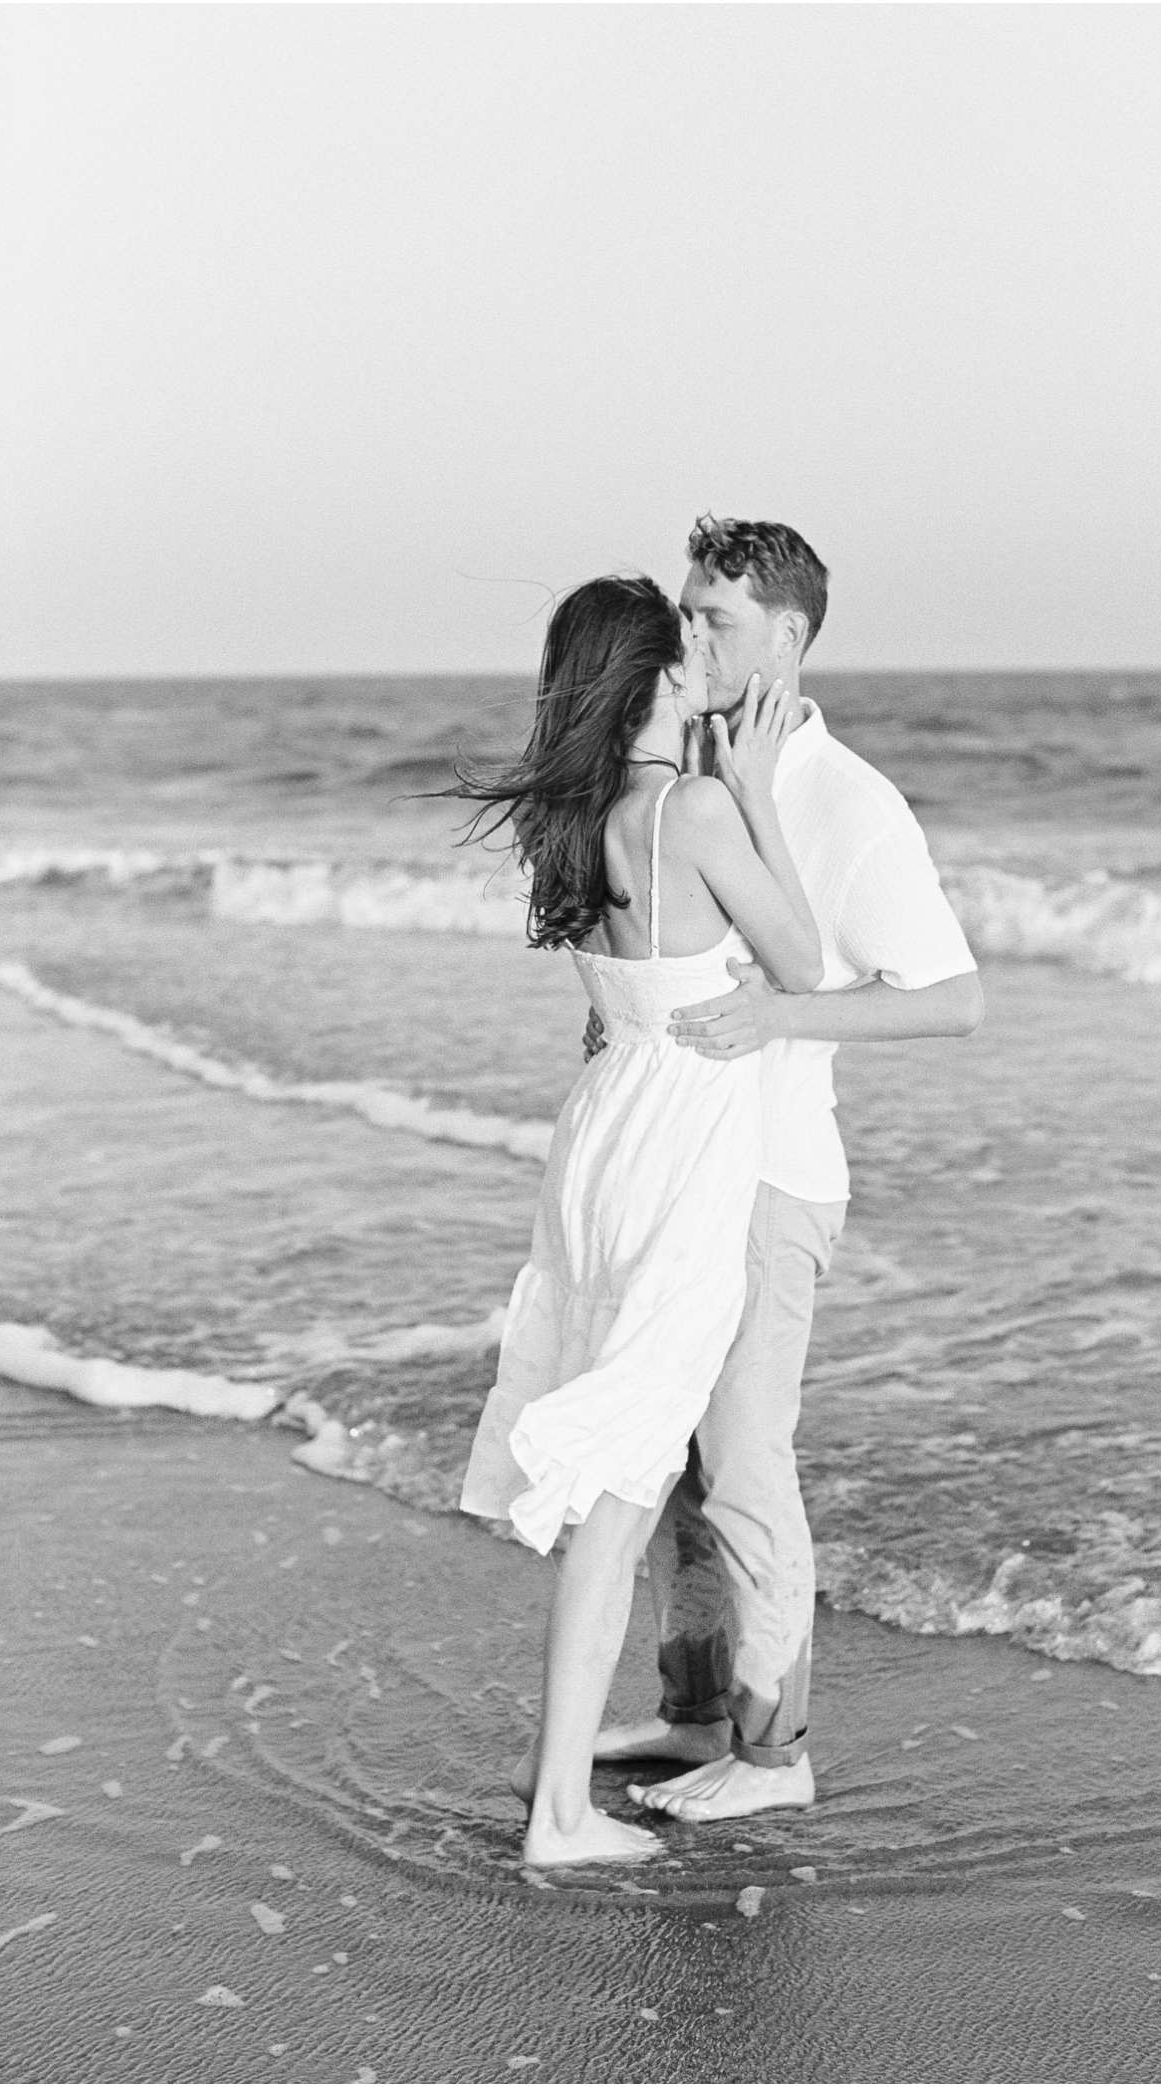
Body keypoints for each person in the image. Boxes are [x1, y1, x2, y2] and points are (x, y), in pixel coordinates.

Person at [583, 516, 984, 1824]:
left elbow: (952, 1001)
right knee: (672, 1467)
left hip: (771, 1179)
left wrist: (780, 1016)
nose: (690, 639)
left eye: (720, 621)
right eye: (688, 614)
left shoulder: (847, 798)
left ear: (794, 637)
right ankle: (696, 1712)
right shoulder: (684, 772)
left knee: (746, 1460)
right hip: (676, 1168)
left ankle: (776, 1750)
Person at [457, 572, 824, 1867]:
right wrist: (762, 792)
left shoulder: (581, 815)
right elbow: (804, 963)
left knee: (622, 1495)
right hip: (675, 1160)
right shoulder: (694, 809)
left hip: (601, 1138)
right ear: (662, 679)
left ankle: (581, 1775)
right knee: (616, 1513)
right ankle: (560, 1816)